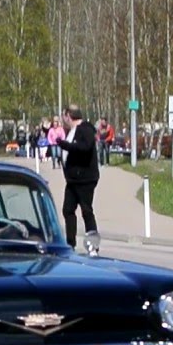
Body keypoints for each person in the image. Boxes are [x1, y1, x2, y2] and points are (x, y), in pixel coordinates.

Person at [56, 104, 101, 255]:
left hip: (85, 179)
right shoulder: (73, 131)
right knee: (68, 210)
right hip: (73, 180)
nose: (63, 120)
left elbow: (85, 147)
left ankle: (93, 247)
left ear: (69, 115)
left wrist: (65, 145)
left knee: (86, 211)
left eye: (64, 116)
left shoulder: (85, 129)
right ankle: (70, 244)